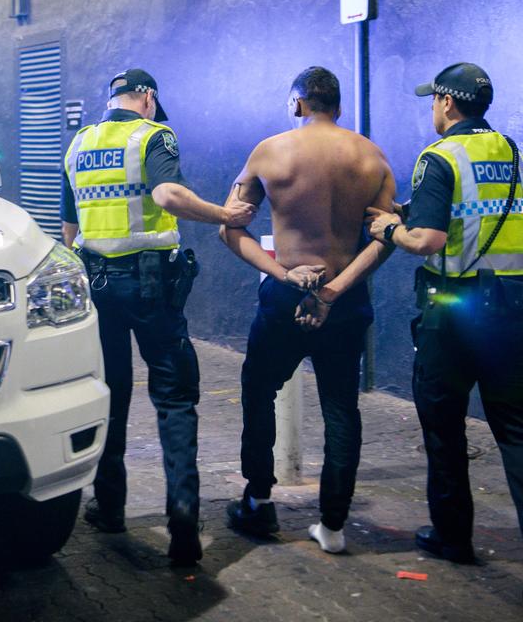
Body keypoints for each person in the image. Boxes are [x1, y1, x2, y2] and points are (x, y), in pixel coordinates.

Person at [61, 68, 256, 566]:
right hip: (151, 287)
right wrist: (225, 216)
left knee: (110, 394)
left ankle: (109, 508)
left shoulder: (78, 143)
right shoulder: (154, 135)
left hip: (97, 285)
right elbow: (168, 196)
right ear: (147, 97)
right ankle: (184, 519)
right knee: (173, 398)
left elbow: (68, 231)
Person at [220, 66, 395, 553]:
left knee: (258, 389)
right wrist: (334, 290)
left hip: (286, 296)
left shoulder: (271, 151)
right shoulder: (371, 156)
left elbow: (229, 229)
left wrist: (283, 274)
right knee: (342, 407)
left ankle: (257, 501)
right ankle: (333, 527)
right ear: (337, 107)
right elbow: (387, 239)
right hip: (346, 298)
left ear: (298, 104)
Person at [367, 62, 523, 563]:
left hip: (454, 312)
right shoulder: (511, 150)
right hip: (512, 307)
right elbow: (476, 210)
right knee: (516, 431)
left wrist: (391, 228)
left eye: (433, 101)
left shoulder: (438, 156)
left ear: (448, 103)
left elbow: (428, 240)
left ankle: (453, 536)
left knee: (444, 426)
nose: (432, 109)